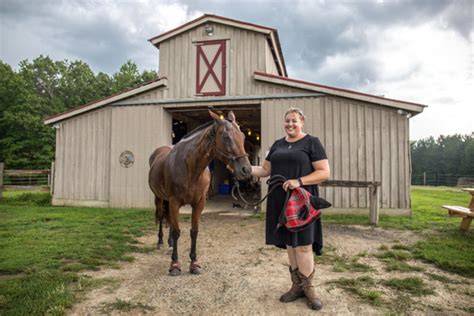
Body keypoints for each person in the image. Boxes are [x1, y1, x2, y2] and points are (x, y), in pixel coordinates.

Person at [251, 107, 330, 310]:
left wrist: (299, 181)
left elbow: (323, 172)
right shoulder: (277, 145)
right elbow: (265, 170)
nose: (290, 124)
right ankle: (296, 286)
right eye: (287, 121)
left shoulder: (312, 142)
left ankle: (309, 288)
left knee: (303, 244)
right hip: (280, 199)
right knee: (289, 243)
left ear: (302, 122)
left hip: (301, 201)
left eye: (294, 121)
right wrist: (245, 169)